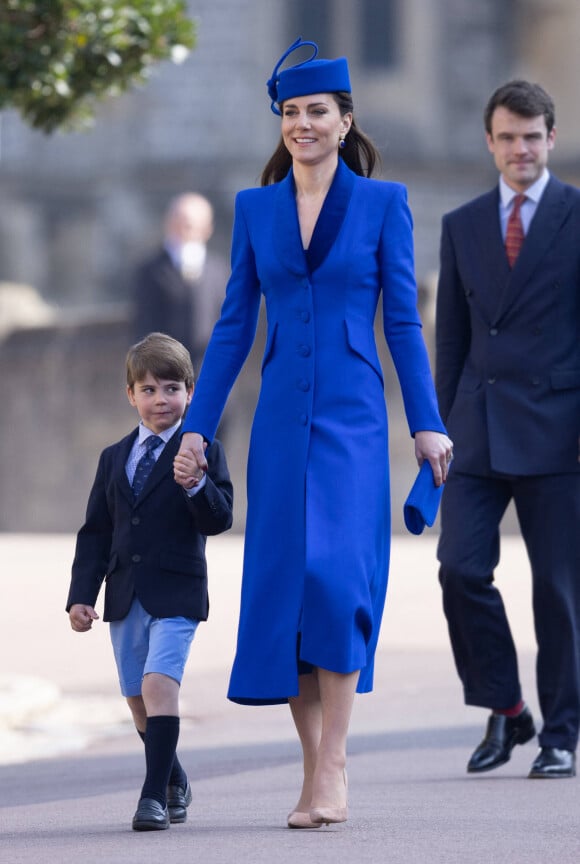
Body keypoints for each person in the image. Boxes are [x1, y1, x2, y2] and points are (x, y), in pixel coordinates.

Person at [174, 37, 452, 828]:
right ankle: (313, 769)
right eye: (290, 112)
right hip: (279, 425)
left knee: (336, 581)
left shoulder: (383, 202)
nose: (302, 124)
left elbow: (403, 320)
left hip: (354, 418)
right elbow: (231, 328)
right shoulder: (255, 208)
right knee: (289, 592)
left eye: (316, 112)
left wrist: (427, 423)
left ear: (345, 119)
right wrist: (198, 427)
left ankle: (335, 761)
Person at [435, 80, 580, 780]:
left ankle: (560, 732)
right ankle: (506, 705)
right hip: (477, 431)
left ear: (550, 139)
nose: (520, 149)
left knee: (558, 589)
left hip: (562, 431)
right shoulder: (461, 225)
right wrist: (437, 427)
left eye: (532, 136)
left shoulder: (578, 216)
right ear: (489, 143)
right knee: (459, 570)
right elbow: (452, 341)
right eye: (507, 137)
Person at [66, 332, 233, 830]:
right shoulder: (113, 457)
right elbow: (96, 531)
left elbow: (219, 519)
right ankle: (175, 776)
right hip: (124, 593)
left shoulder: (201, 450)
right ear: (131, 395)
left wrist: (197, 484)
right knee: (137, 697)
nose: (162, 399)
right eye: (149, 389)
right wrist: (81, 596)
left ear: (190, 391)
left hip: (178, 590)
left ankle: (152, 796)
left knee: (160, 684)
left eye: (172, 389)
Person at [133, 193, 228, 371]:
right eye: (179, 222)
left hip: (211, 371)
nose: (185, 229)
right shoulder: (151, 270)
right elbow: (145, 324)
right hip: (166, 372)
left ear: (207, 228)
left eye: (191, 225)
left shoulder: (218, 270)